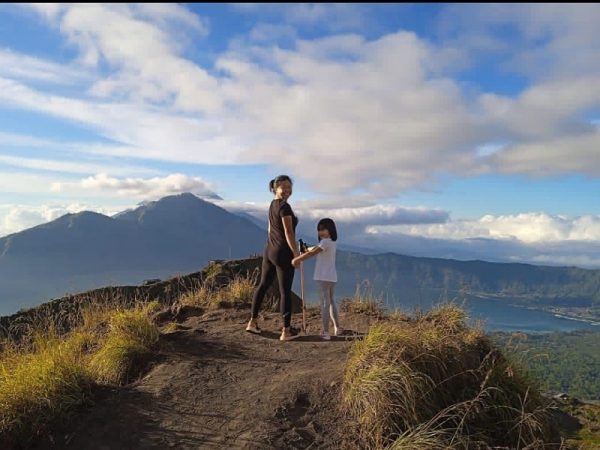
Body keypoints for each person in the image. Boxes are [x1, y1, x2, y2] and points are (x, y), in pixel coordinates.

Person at [246, 175, 301, 341]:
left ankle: (252, 322)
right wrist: (296, 253)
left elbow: (270, 228)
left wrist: (272, 244)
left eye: (289, 187)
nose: (287, 190)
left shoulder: (272, 204)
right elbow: (289, 232)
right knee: (285, 291)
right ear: (275, 189)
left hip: (269, 249)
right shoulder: (284, 207)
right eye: (283, 187)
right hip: (283, 252)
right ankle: (286, 331)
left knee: (263, 285)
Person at [292, 218, 342, 340]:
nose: (321, 232)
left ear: (330, 230)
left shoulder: (324, 243)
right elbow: (315, 249)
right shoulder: (331, 242)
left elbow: (312, 253)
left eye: (323, 229)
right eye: (319, 230)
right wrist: (306, 248)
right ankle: (337, 328)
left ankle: (325, 332)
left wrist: (297, 259)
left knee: (325, 303)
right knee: (330, 301)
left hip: (322, 277)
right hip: (331, 277)